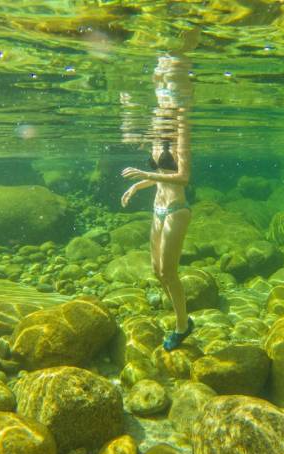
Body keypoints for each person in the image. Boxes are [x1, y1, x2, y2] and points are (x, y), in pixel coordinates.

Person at [120, 54, 194, 351]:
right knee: (156, 270)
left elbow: (183, 176)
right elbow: (162, 175)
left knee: (169, 271)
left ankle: (182, 325)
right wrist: (139, 185)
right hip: (158, 207)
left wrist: (145, 173)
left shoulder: (180, 131)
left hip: (177, 209)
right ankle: (182, 318)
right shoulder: (156, 135)